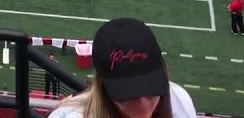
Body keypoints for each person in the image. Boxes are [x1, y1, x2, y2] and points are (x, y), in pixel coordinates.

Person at [48, 18, 197, 118]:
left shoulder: (180, 101)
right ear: (103, 87)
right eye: (129, 95)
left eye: (151, 90)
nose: (143, 107)